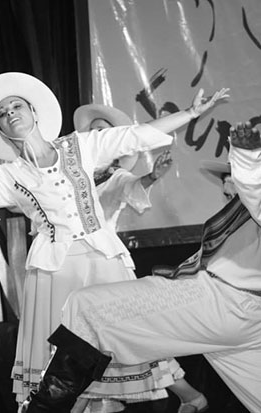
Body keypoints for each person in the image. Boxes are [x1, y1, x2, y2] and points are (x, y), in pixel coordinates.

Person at [0, 72, 229, 405]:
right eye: (3, 114)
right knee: (64, 366)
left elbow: (134, 135)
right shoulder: (8, 176)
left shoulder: (80, 146)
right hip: (57, 270)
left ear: (34, 113)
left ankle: (189, 396)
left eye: (16, 106)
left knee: (125, 339)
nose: (10, 113)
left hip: (103, 258)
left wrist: (190, 114)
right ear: (2, 131)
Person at [23, 121, 261, 413]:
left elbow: (255, 193)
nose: (227, 184)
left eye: (231, 175)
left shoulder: (252, 201)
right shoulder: (240, 220)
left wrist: (247, 158)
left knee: (87, 309)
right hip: (247, 317)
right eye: (227, 176)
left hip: (226, 302)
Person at [74, 104, 174, 231]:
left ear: (115, 140)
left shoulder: (116, 176)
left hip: (98, 245)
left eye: (100, 130)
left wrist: (152, 177)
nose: (95, 135)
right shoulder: (74, 169)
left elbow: (131, 185)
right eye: (91, 130)